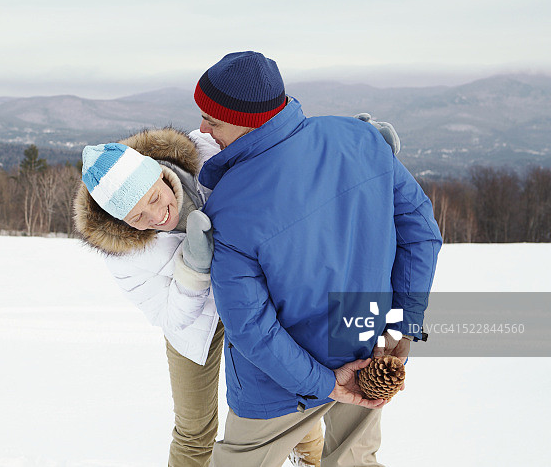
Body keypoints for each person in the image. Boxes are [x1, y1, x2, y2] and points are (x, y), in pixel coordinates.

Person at [73, 118, 401, 466]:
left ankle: (310, 458)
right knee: (193, 429)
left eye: (154, 198)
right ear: (120, 222)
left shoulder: (205, 154)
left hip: (258, 299)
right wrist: (193, 269)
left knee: (291, 400)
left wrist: (354, 144)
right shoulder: (123, 256)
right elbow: (169, 316)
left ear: (158, 172)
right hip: (195, 328)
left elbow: (275, 146)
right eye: (137, 217)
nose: (156, 216)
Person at [191, 51, 442, 467]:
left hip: (274, 386)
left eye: (213, 120)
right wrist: (402, 324)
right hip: (365, 340)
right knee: (355, 460)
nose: (202, 129)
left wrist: (323, 383)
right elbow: (421, 234)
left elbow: (251, 327)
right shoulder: (360, 139)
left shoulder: (230, 208)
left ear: (250, 120)